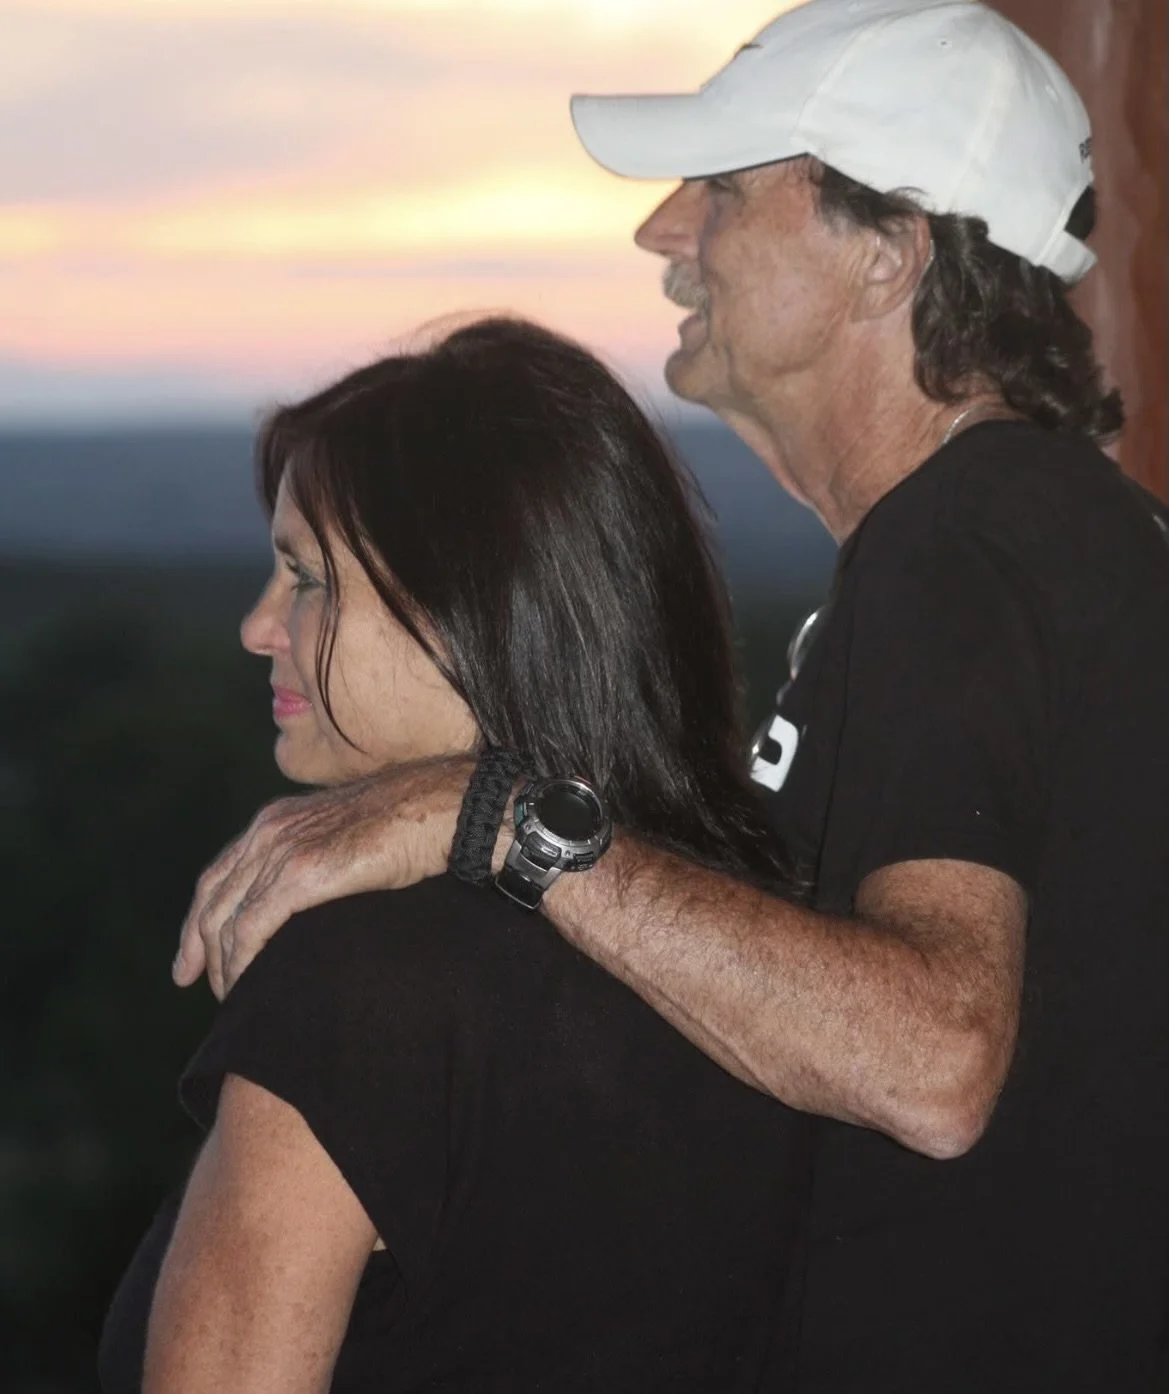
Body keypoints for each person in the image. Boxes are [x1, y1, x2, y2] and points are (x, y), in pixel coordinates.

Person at [172, 2, 1169, 1389]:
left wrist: (499, 820)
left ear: (889, 250)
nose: (662, 232)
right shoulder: (1025, 547)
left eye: (724, 185)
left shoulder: (969, 540)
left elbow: (933, 1056)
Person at [98, 318, 812, 1392]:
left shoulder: (363, 980)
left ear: (471, 609)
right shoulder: (759, 943)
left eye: (308, 578)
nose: (258, 625)